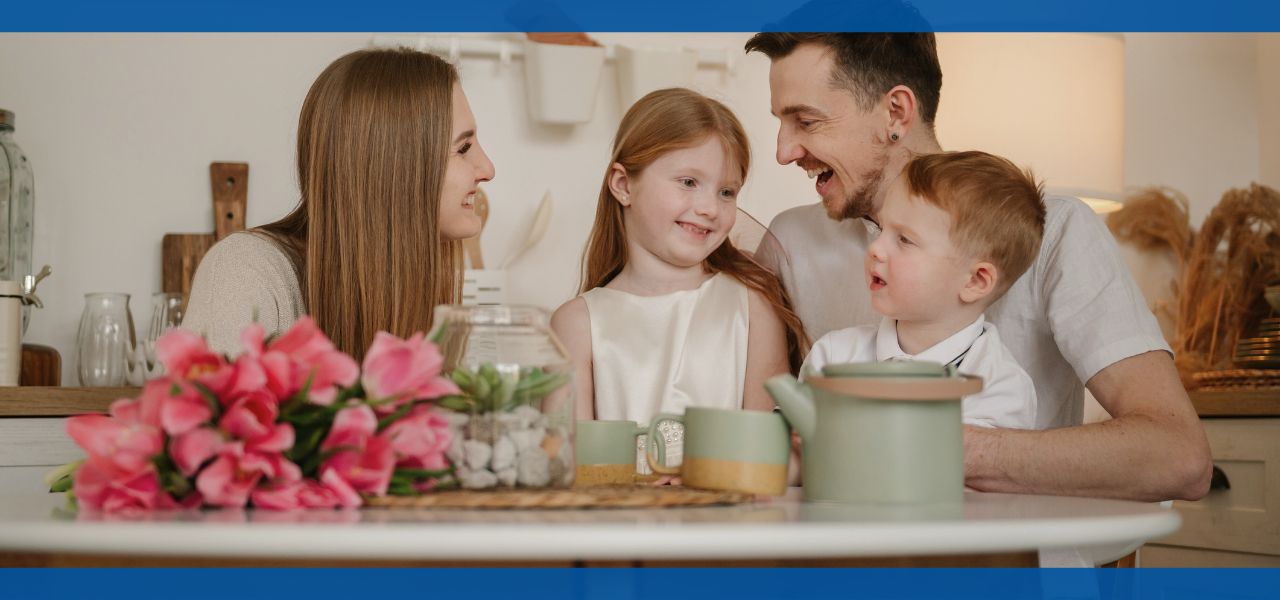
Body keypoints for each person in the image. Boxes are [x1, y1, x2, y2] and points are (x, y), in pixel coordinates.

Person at [746, 33, 1210, 501]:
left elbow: (1179, 456)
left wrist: (932, 448)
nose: (784, 152)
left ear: (896, 113)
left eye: (806, 120)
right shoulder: (790, 242)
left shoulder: (1056, 231)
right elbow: (760, 434)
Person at [182, 48, 495, 360]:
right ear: (392, 163)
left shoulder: (408, 286)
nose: (488, 170)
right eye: (463, 147)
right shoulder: (244, 270)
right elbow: (200, 405)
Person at [551, 88, 807, 430]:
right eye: (688, 182)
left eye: (726, 192)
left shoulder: (752, 306)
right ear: (623, 184)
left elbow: (765, 455)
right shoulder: (575, 325)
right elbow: (563, 462)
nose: (709, 208)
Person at [804, 151, 1044, 430]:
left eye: (904, 239)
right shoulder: (832, 355)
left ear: (975, 281)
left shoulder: (1001, 389)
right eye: (882, 229)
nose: (875, 248)